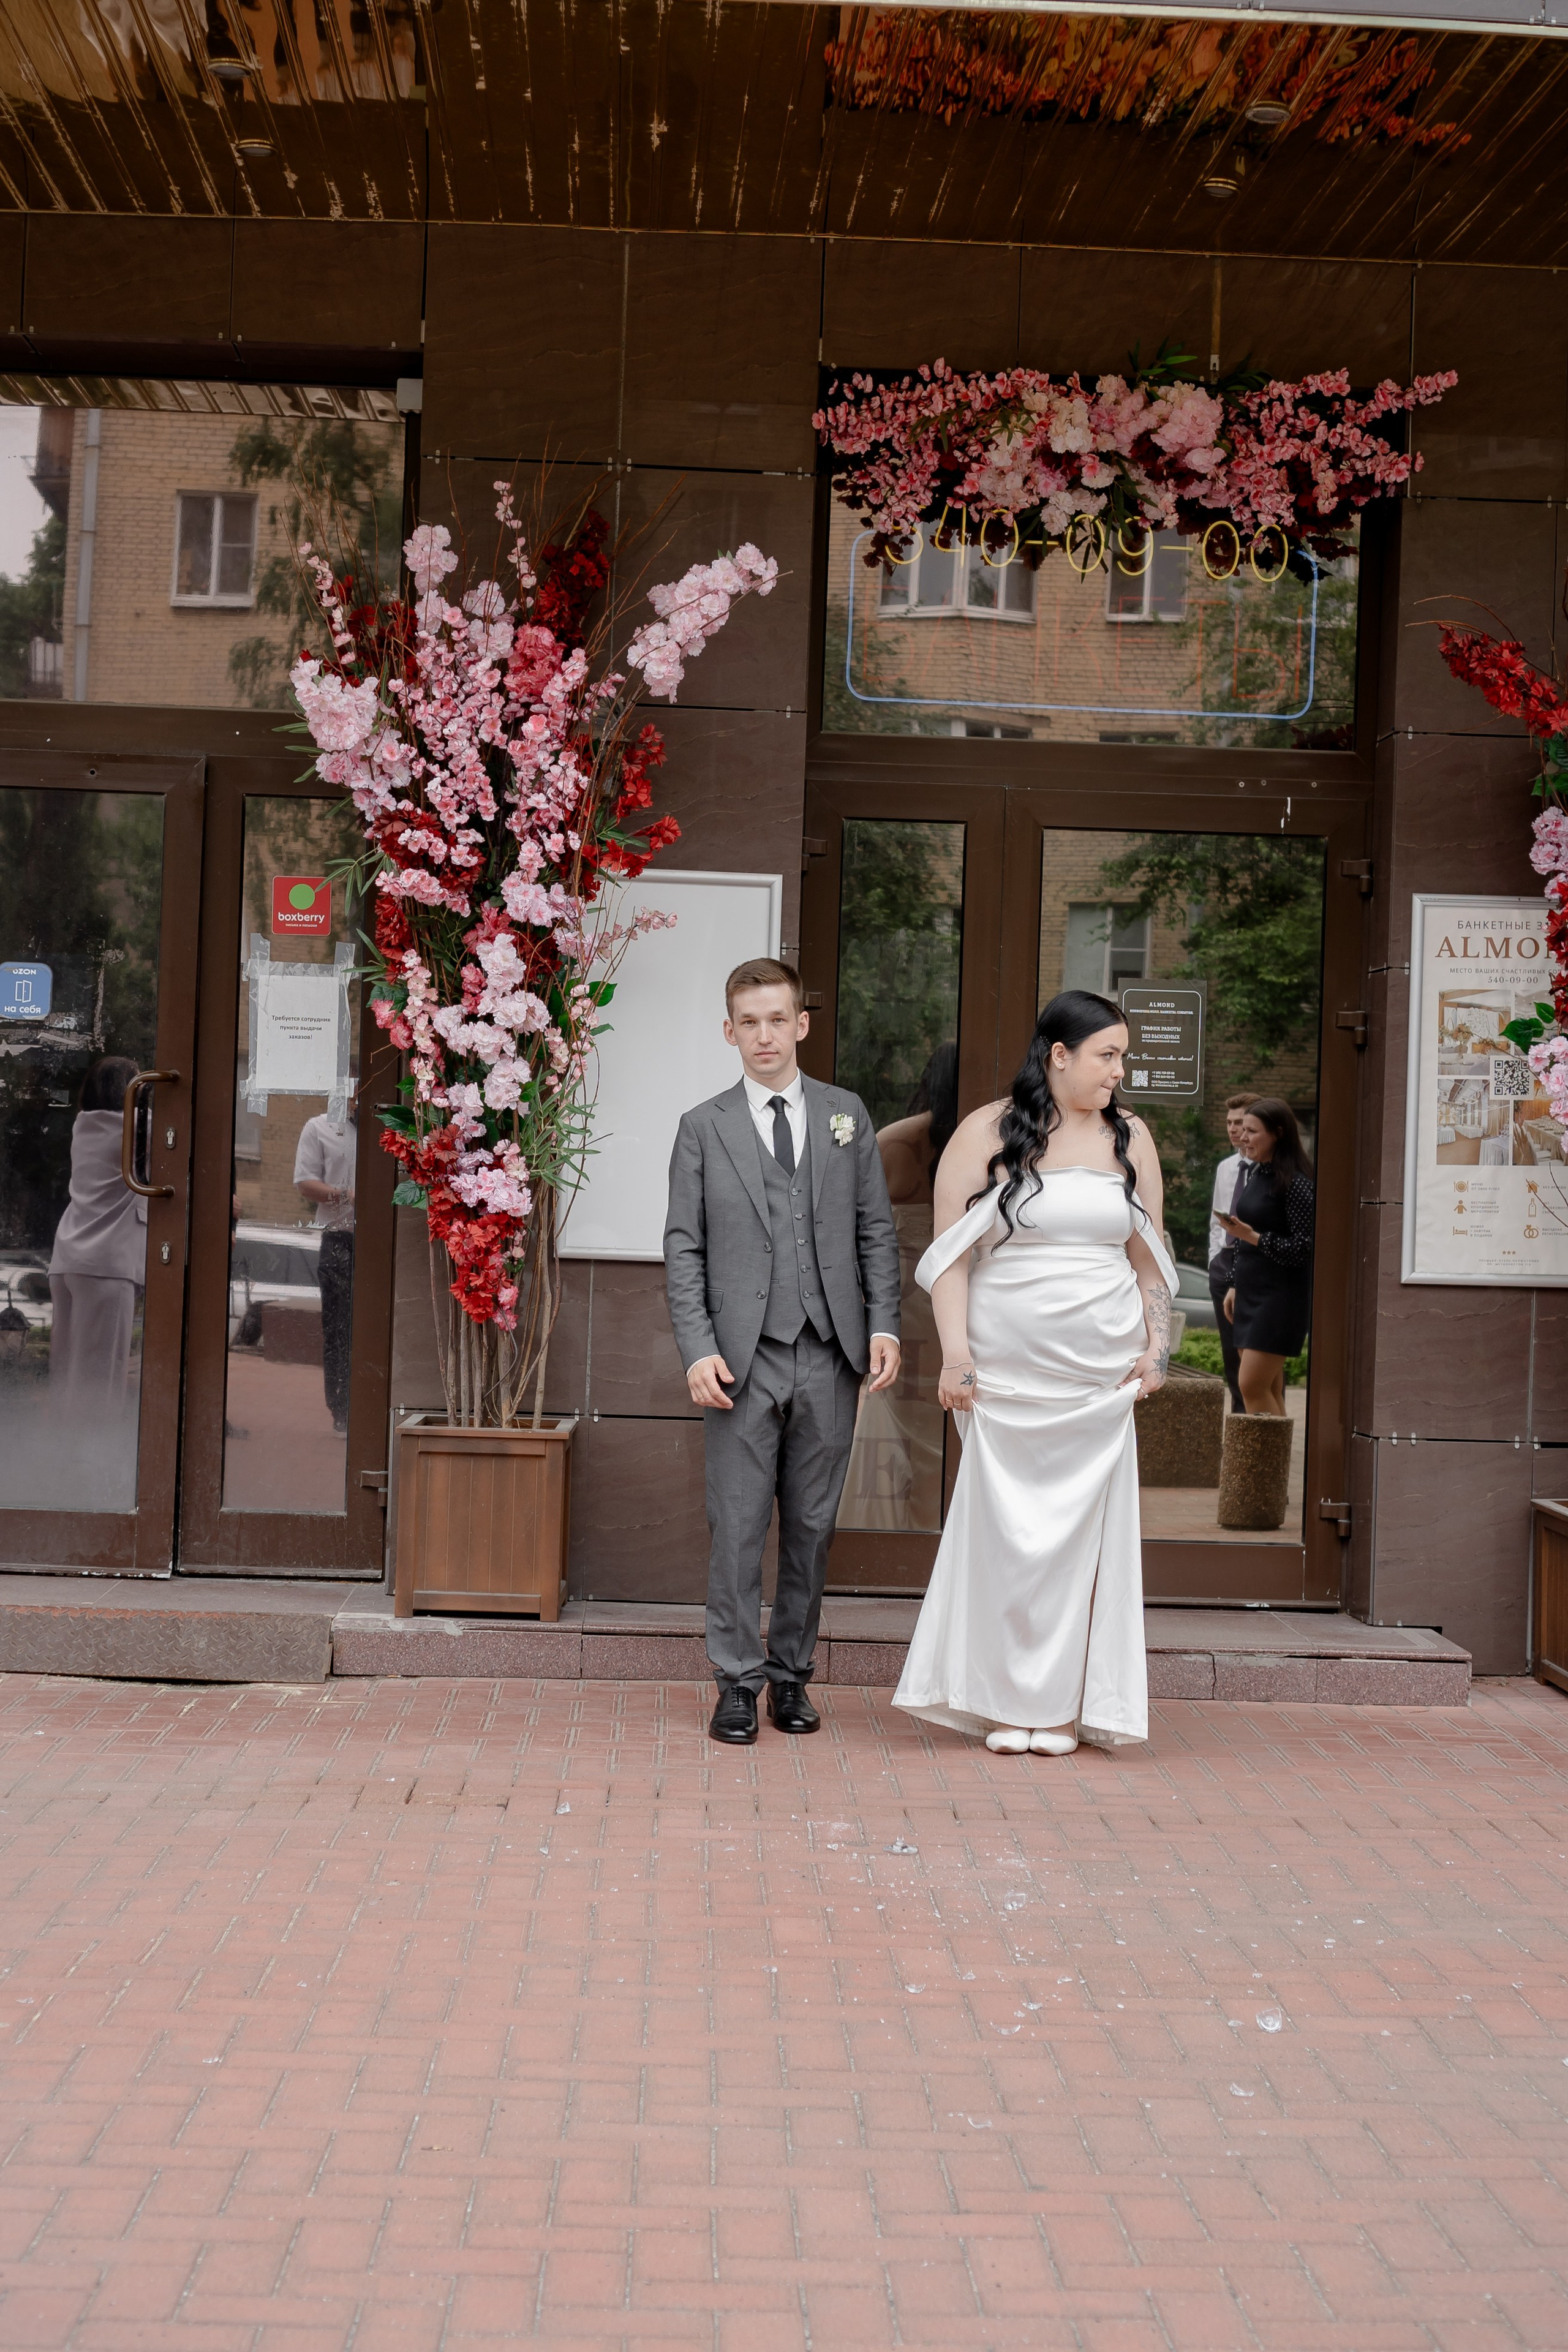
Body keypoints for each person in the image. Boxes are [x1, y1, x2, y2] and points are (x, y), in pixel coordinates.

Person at [892, 990, 1176, 1758]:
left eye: (1122, 1056)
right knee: (1007, 1538)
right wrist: (956, 1355)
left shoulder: (1131, 1138)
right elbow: (948, 1259)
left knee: (1080, 1545)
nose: (1120, 1070)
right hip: (1007, 1374)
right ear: (1059, 1055)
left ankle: (1059, 1709)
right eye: (1106, 1055)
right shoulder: (985, 1133)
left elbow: (1149, 1254)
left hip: (1097, 1378)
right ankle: (996, 1701)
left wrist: (1158, 1350)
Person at [664, 958, 902, 1745]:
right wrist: (697, 1347)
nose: (764, 1036)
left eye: (778, 1019)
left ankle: (789, 1676)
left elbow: (874, 1229)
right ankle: (736, 1680)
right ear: (728, 1032)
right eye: (749, 1022)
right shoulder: (704, 1126)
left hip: (829, 1352)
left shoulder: (846, 1115)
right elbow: (684, 1247)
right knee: (735, 1524)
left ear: (801, 1024)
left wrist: (883, 1324)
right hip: (740, 1358)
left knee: (811, 1525)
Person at [837, 1041, 958, 1532]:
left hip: (902, 1295)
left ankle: (891, 1525)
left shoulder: (896, 1140)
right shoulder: (970, 1143)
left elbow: (859, 1230)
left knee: (901, 1402)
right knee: (929, 1411)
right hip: (934, 1297)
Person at [48, 1054, 147, 1431]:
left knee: (68, 1374)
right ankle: (91, 1467)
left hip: (68, 1258)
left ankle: (60, 1457)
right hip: (107, 1265)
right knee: (100, 1381)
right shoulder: (139, 1126)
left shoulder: (83, 1126)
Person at [1215, 1096, 1314, 1418]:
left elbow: (1304, 1248)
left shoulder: (1297, 1184)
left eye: (1252, 1131)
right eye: (1242, 1130)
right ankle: (1272, 1469)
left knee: (1252, 1387)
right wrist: (1234, 1285)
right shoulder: (1258, 1175)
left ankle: (1261, 1468)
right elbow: (1244, 1239)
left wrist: (1253, 1237)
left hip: (1279, 1299)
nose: (1243, 1137)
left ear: (1278, 1134)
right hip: (1250, 1292)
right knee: (1267, 1389)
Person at [294, 1106, 356, 1435]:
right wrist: (346, 1195)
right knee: (338, 1330)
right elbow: (304, 1183)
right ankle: (342, 1410)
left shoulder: (394, 1126)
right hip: (339, 1240)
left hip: (384, 1241)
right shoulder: (319, 1127)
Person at [1208, 1091, 1259, 1414]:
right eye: (1229, 1123)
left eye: (1239, 1123)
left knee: (1253, 1351)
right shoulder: (1227, 1168)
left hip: (1255, 1258)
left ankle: (1260, 1419)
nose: (1233, 1129)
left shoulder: (1267, 1169)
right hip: (1224, 1260)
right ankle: (1240, 1417)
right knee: (1230, 1351)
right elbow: (1217, 1216)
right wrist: (1214, 1257)